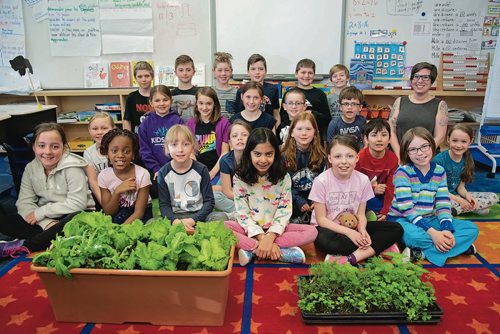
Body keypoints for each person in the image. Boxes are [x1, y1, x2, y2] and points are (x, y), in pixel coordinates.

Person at [225, 128, 318, 266]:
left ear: (276, 154)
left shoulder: (283, 177)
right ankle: (281, 253)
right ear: (249, 153)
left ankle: (252, 250)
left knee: (312, 232)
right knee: (223, 227)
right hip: (249, 229)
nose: (263, 160)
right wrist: (262, 237)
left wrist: (271, 236)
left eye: (269, 154)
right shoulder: (240, 177)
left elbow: (284, 211)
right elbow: (243, 213)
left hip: (277, 229)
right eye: (257, 154)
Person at [0, 123, 95, 257]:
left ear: (64, 147)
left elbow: (77, 203)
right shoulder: (31, 168)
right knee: (6, 222)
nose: (48, 152)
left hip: (73, 213)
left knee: (76, 221)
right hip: (47, 218)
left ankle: (25, 246)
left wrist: (42, 212)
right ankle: (54, 239)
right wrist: (46, 223)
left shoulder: (73, 167)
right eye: (41, 145)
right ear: (33, 147)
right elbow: (24, 203)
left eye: (55, 146)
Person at [388, 127, 478, 266]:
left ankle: (421, 253)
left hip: (429, 217)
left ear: (432, 145)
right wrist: (434, 234)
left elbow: (443, 203)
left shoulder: (439, 171)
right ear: (406, 153)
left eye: (424, 146)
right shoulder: (403, 172)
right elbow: (406, 209)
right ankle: (459, 247)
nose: (420, 153)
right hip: (402, 219)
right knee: (417, 238)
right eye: (413, 149)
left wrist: (446, 229)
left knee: (471, 229)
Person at [309, 135, 403, 265]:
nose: (344, 161)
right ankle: (377, 248)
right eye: (337, 156)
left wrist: (362, 230)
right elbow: (321, 220)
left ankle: (352, 258)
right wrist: (350, 233)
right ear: (330, 158)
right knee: (326, 242)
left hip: (354, 226)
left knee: (396, 228)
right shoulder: (321, 181)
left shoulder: (363, 180)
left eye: (350, 156)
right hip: (329, 229)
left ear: (357, 158)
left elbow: (360, 214)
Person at [158, 125, 223, 231]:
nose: (180, 149)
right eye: (174, 145)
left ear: (192, 146)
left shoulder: (201, 170)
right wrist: (175, 222)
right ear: (167, 148)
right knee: (151, 223)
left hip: (199, 217)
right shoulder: (163, 173)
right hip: (175, 219)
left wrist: (193, 220)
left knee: (220, 218)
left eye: (185, 144)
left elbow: (209, 202)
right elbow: (164, 205)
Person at [433, 124, 498, 216]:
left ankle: (456, 210)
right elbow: (436, 190)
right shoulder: (439, 161)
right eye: (455, 141)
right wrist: (461, 201)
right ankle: (461, 209)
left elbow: (460, 187)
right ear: (448, 139)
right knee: (441, 203)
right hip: (440, 197)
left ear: (470, 142)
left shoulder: (467, 159)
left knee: (493, 197)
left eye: (464, 141)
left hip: (455, 196)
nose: (459, 145)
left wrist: (468, 197)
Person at [389, 62, 448, 161]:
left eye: (425, 77)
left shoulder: (440, 105)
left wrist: (422, 155)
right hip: (400, 156)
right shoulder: (400, 101)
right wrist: (400, 156)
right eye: (416, 76)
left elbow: (440, 137)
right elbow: (391, 131)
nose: (420, 81)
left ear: (431, 81)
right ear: (411, 79)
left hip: (426, 158)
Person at [98, 128, 152, 225]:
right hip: (117, 212)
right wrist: (117, 192)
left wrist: (121, 230)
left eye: (126, 151)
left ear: (133, 154)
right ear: (107, 153)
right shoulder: (103, 176)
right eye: (114, 151)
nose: (120, 155)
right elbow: (108, 212)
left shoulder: (143, 174)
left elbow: (139, 212)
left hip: (141, 213)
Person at [138, 85, 184, 197]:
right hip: (155, 170)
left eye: (165, 100)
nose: (162, 103)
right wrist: (156, 169)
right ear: (151, 103)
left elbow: (183, 147)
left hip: (177, 167)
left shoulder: (178, 121)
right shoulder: (145, 124)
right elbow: (145, 151)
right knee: (155, 190)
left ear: (171, 101)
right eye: (157, 100)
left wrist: (175, 167)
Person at [282, 111, 326, 225]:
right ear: (291, 132)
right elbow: (281, 185)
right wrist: (297, 200)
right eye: (299, 129)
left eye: (308, 129)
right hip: (291, 200)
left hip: (314, 201)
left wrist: (315, 200)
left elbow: (324, 183)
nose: (304, 133)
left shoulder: (322, 157)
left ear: (315, 132)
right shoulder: (283, 157)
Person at [356, 118, 398, 221]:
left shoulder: (393, 159)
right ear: (366, 139)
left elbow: (391, 188)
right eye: (374, 135)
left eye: (384, 135)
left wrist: (385, 211)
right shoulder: (359, 158)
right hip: (363, 196)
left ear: (389, 139)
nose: (379, 139)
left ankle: (376, 214)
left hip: (383, 197)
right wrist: (372, 189)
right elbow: (353, 186)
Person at [186, 87, 230, 184]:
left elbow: (225, 152)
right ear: (196, 104)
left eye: (209, 103)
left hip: (218, 170)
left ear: (215, 104)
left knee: (216, 194)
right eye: (201, 103)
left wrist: (212, 173)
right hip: (196, 170)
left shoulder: (223, 123)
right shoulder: (190, 123)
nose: (205, 107)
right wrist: (200, 171)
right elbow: (190, 152)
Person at [279, 59, 331, 140]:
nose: (306, 76)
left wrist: (312, 113)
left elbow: (327, 119)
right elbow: (283, 116)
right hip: (292, 136)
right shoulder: (289, 93)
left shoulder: (320, 94)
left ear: (314, 75)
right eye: (303, 72)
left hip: (314, 137)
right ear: (296, 74)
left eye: (310, 73)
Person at [214, 120, 252, 215]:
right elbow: (227, 191)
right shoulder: (225, 160)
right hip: (233, 193)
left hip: (250, 194)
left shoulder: (255, 159)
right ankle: (240, 211)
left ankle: (243, 211)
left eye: (244, 135)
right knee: (214, 197)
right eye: (235, 136)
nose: (240, 138)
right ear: (230, 143)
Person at [234, 54, 280, 123]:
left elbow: (275, 112)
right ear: (248, 72)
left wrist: (277, 130)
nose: (257, 72)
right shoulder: (241, 91)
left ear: (266, 71)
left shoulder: (273, 89)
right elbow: (238, 114)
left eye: (261, 69)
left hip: (267, 128)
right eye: (253, 69)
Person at [84, 112, 116, 207]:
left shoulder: (119, 148)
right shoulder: (88, 153)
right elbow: (93, 181)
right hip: (101, 194)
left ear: (113, 129)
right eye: (95, 129)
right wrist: (104, 204)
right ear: (89, 130)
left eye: (104, 128)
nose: (99, 132)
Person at [123, 61, 154, 132]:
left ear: (152, 76)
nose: (144, 79)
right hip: (137, 136)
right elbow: (127, 120)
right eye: (140, 77)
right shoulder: (131, 97)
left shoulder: (158, 95)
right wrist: (128, 138)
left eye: (147, 76)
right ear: (135, 78)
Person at [171, 54, 199, 121]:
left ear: (194, 71)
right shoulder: (170, 94)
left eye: (188, 70)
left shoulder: (200, 93)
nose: (184, 73)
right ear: (175, 72)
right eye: (181, 70)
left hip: (195, 130)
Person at [212, 52, 238, 118]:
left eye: (226, 70)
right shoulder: (210, 92)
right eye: (220, 70)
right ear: (214, 71)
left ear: (231, 71)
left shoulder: (236, 93)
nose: (223, 73)